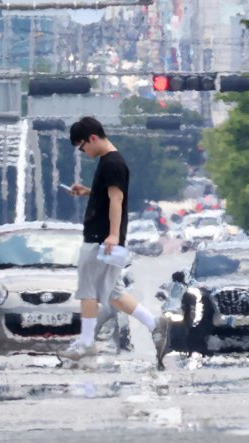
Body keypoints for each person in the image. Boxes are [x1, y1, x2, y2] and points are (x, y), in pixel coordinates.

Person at [60, 116, 167, 363]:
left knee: (87, 290)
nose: (83, 151)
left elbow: (117, 200)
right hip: (105, 239)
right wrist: (87, 191)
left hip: (100, 239)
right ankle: (155, 325)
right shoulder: (110, 162)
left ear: (93, 138)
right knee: (114, 294)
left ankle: (86, 342)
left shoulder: (112, 164)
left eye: (82, 146)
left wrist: (113, 234)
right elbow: (108, 196)